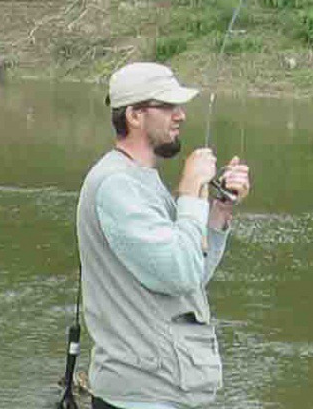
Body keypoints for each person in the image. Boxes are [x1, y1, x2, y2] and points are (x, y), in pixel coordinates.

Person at [76, 61, 251, 409]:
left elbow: (192, 276)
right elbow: (178, 272)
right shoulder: (116, 185)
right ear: (135, 116)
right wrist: (189, 192)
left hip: (163, 392)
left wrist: (218, 212)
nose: (181, 115)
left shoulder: (140, 180)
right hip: (140, 396)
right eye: (167, 106)